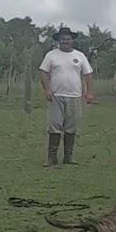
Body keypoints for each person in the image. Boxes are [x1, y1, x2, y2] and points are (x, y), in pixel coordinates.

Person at [39, 27, 95, 168]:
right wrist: (47, 90)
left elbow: (88, 75)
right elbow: (43, 73)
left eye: (68, 39)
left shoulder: (80, 56)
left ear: (72, 40)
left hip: (74, 96)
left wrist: (89, 92)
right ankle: (52, 158)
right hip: (56, 96)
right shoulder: (51, 55)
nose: (65, 41)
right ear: (58, 40)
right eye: (63, 39)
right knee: (55, 125)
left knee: (71, 127)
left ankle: (68, 157)